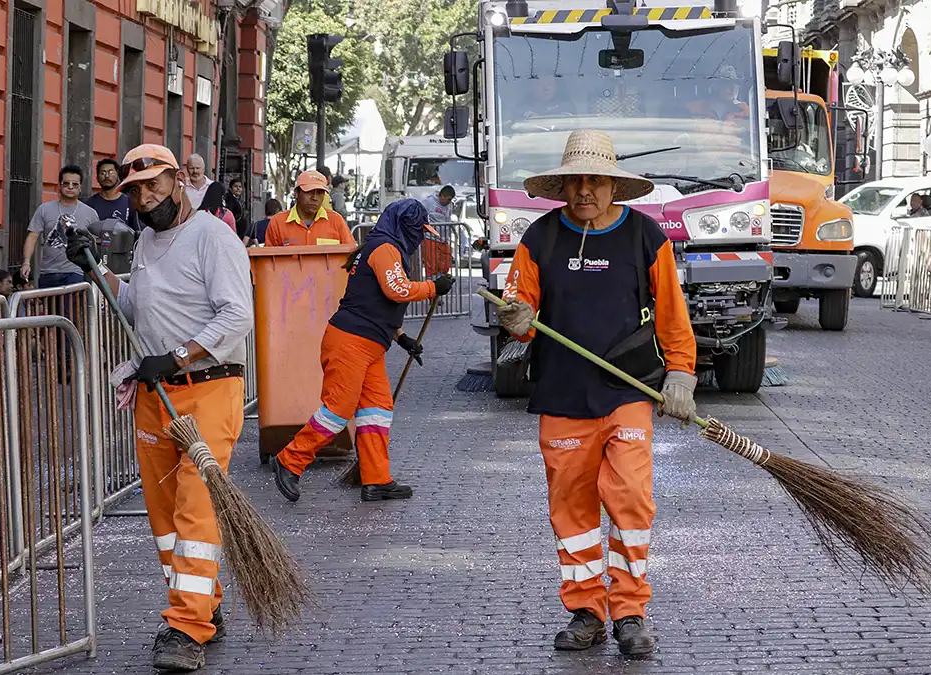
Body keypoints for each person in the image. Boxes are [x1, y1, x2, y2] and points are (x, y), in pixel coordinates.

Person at [496, 130, 696, 657]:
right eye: (576, 181)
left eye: (596, 180)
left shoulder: (646, 238)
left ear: (614, 185)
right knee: (572, 511)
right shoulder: (539, 239)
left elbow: (673, 314)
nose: (585, 190)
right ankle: (587, 611)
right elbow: (521, 310)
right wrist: (517, 318)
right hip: (561, 396)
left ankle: (629, 612)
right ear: (563, 186)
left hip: (625, 392)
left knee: (631, 498)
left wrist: (681, 375)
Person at [64, 144, 253, 672]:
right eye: (136, 190)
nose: (147, 197)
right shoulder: (147, 239)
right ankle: (203, 605)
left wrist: (175, 357)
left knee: (196, 505)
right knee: (166, 516)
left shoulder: (213, 236)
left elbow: (237, 315)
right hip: (156, 396)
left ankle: (187, 626)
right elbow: (135, 304)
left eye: (155, 185)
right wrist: (96, 268)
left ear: (176, 180)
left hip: (206, 389)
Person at [270, 199, 456, 502]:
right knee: (338, 410)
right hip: (350, 343)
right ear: (406, 226)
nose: (420, 237)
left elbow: (371, 302)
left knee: (378, 410)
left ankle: (376, 480)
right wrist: (433, 287)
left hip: (366, 345)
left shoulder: (383, 247)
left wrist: (401, 337)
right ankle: (289, 461)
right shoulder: (385, 249)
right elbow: (396, 290)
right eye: (418, 231)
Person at [21, 165, 100, 287]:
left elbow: (96, 242)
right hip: (48, 272)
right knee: (49, 306)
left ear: (80, 188)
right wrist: (26, 262)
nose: (70, 187)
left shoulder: (90, 213)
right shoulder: (44, 209)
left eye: (75, 184)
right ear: (59, 185)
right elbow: (32, 236)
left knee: (72, 306)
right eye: (66, 183)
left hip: (75, 272)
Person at [264, 171, 355, 246]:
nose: (315, 198)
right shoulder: (277, 223)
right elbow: (269, 262)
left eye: (320, 193)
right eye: (309, 192)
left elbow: (351, 257)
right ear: (296, 193)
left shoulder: (336, 221)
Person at [85, 159, 141, 241]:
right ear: (97, 178)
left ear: (118, 175)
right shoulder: (89, 204)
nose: (107, 176)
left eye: (110, 172)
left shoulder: (130, 202)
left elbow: (137, 232)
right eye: (102, 173)